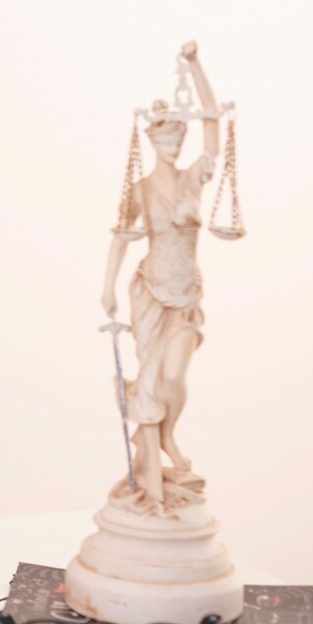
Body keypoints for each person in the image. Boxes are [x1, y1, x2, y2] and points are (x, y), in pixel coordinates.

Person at [101, 41, 219, 504]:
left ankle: (167, 435)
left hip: (186, 293)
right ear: (153, 144)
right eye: (166, 141)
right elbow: (120, 237)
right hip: (150, 291)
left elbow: (213, 123)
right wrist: (108, 286)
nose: (174, 148)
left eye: (178, 141)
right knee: (151, 377)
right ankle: (153, 458)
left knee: (174, 373)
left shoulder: (193, 180)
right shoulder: (142, 190)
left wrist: (195, 65)